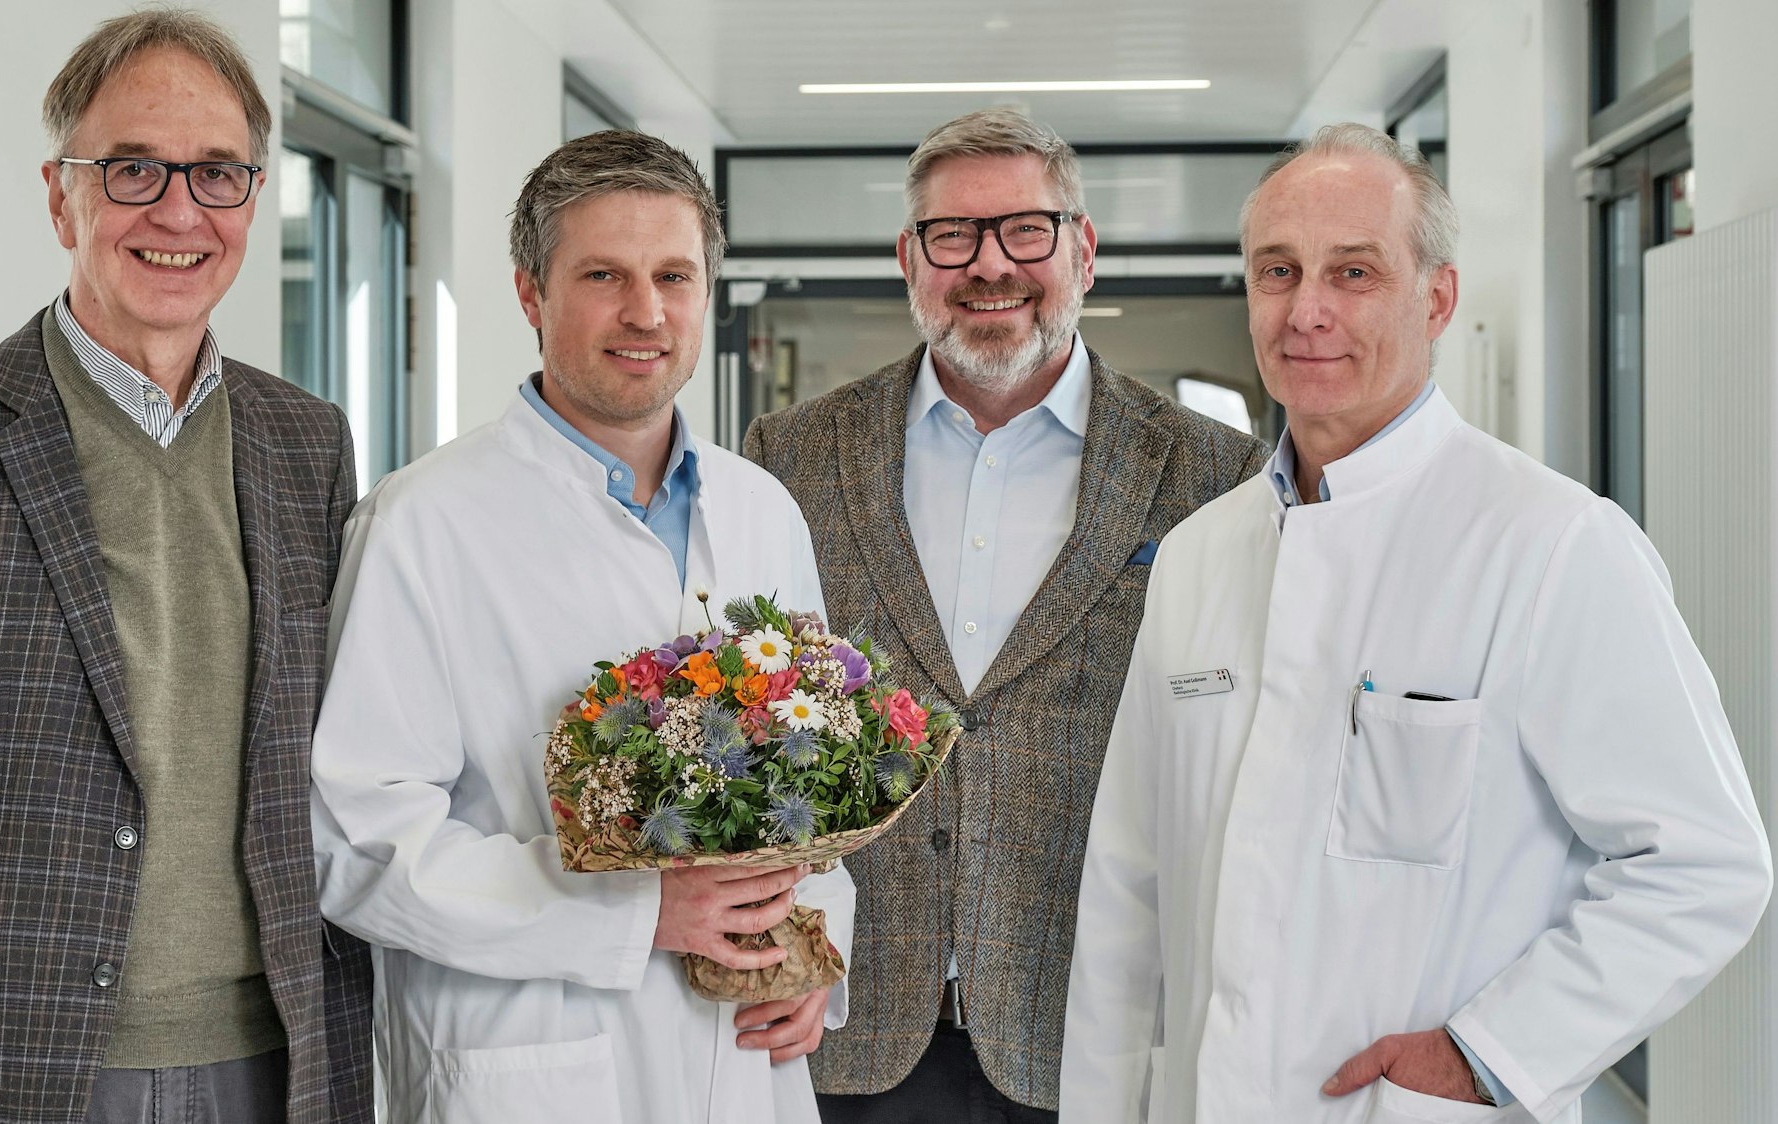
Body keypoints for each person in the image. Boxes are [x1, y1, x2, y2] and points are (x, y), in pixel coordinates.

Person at [1060, 122, 1773, 1124]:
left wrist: (1488, 1053)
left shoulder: (1552, 542)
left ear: (1435, 297)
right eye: (1278, 270)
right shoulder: (1197, 556)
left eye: (1354, 272)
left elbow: (1704, 861)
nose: (1307, 310)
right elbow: (1130, 883)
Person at [0, 10, 371, 1123]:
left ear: (254, 196)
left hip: (276, 1058)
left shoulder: (308, 442)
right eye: (135, 169)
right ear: (62, 195)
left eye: (217, 174)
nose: (180, 211)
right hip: (8, 1067)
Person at [309, 130, 856, 1124]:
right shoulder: (421, 522)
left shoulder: (761, 508)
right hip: (527, 1068)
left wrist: (817, 955)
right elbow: (359, 843)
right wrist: (637, 910)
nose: (645, 311)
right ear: (531, 294)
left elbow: (817, 791)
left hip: (744, 1060)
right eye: (604, 274)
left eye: (673, 275)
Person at [742, 108, 1266, 1123]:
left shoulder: (1212, 473)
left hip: (1094, 1026)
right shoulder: (791, 456)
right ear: (910, 257)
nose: (991, 265)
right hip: (842, 1024)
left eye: (1026, 229)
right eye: (954, 236)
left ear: (1084, 250)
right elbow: (754, 728)